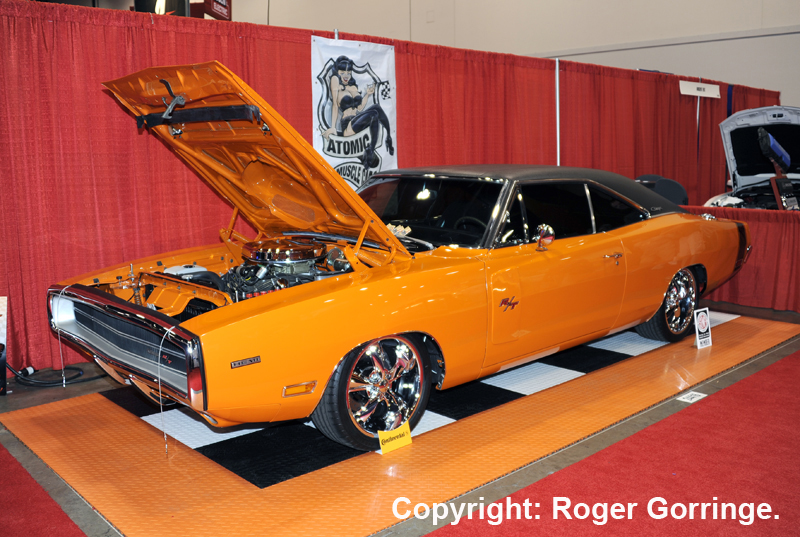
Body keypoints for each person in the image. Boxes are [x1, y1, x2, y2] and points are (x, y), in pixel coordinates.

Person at [321, 55, 394, 169]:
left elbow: (359, 108)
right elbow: (335, 105)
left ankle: (388, 137)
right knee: (374, 114)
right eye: (342, 72)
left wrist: (367, 95)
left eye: (349, 73)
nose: (346, 76)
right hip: (348, 125)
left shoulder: (353, 87)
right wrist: (333, 127)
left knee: (376, 107)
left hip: (357, 121)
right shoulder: (336, 82)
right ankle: (370, 150)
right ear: (338, 72)